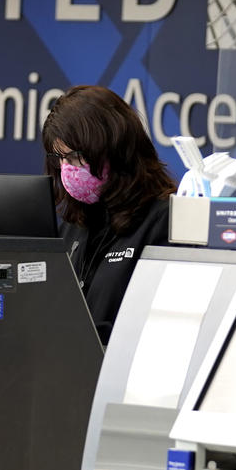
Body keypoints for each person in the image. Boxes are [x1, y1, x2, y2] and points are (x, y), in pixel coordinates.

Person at [42, 85, 176, 344]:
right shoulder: (75, 224)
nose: (66, 169)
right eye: (59, 158)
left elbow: (161, 330)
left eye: (76, 157)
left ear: (117, 150)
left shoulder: (164, 222)